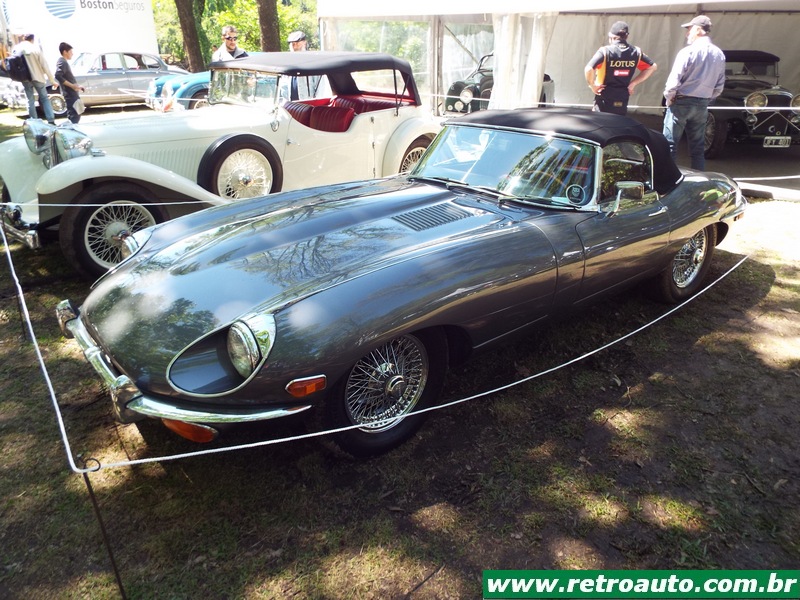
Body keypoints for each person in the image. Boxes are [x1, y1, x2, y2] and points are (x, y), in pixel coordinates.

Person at [662, 15, 726, 170]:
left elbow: (674, 80)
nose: (687, 33)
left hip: (681, 101)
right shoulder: (719, 54)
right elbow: (719, 85)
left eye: (689, 29)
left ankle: (669, 178)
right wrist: (707, 98)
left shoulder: (687, 52)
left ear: (698, 30)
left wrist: (669, 98)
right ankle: (699, 178)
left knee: (669, 144)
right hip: (702, 103)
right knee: (698, 147)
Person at [584, 21, 656, 116]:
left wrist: (592, 85)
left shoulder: (605, 51)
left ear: (611, 37)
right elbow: (652, 67)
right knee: (618, 122)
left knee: (601, 123)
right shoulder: (636, 52)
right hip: (622, 96)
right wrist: (633, 84)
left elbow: (589, 69)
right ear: (626, 36)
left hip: (604, 96)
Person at [14, 33, 59, 124]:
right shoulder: (35, 48)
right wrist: (52, 80)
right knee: (44, 98)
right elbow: (44, 65)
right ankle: (51, 120)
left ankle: (34, 121)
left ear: (24, 39)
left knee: (30, 100)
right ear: (32, 39)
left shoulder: (16, 49)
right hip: (37, 77)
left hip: (25, 78)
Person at [55, 42, 85, 124]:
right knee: (74, 115)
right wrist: (72, 86)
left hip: (72, 92)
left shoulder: (64, 62)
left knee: (76, 113)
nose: (72, 54)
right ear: (65, 52)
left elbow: (67, 77)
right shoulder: (62, 62)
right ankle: (71, 129)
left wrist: (77, 86)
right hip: (69, 93)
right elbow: (58, 75)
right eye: (71, 52)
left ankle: (72, 128)